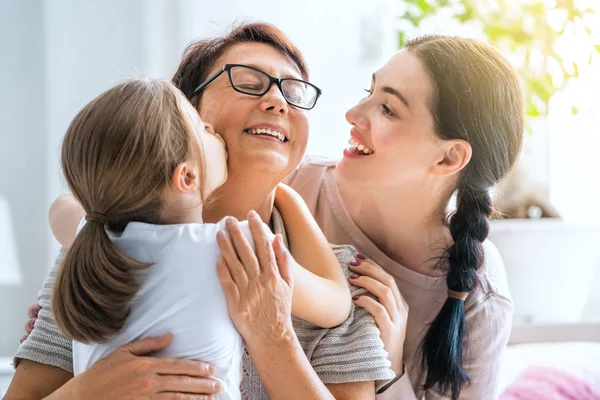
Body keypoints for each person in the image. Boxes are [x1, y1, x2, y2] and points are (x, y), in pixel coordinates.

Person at [6, 23, 394, 400]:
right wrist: (85, 393)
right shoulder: (101, 251)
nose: (278, 101)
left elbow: (66, 211)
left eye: (294, 91)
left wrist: (273, 338)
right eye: (248, 81)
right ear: (187, 116)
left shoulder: (346, 276)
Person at [45, 77, 355, 399]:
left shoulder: (95, 240)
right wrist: (287, 198)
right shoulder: (233, 244)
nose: (212, 129)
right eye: (202, 128)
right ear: (187, 176)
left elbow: (58, 210)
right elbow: (335, 303)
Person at [285, 34, 523, 399]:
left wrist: (391, 372)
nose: (352, 114)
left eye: (389, 109)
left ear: (448, 158)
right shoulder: (294, 185)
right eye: (370, 91)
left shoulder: (479, 294)